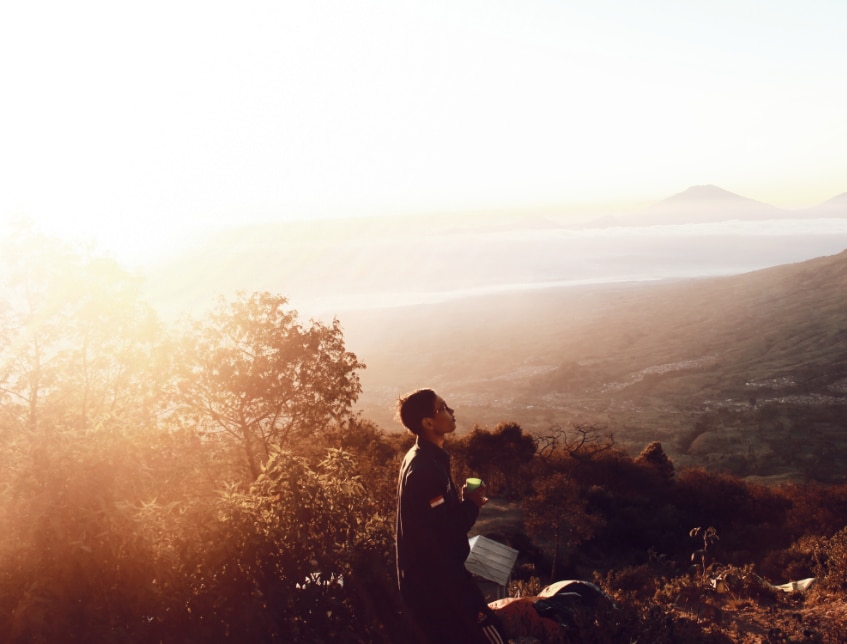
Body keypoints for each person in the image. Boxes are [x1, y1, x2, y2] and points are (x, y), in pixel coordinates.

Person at [395, 388, 506, 644]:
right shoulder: (424, 468)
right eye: (443, 407)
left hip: (431, 584)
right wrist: (473, 503)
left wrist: (464, 502)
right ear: (428, 422)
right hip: (440, 586)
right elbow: (447, 531)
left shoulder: (423, 458)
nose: (451, 411)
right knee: (492, 636)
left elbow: (434, 521)